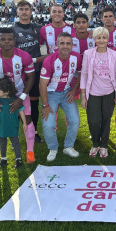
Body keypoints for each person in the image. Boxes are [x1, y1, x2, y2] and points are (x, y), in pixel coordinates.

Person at [0, 27, 35, 166]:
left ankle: (30, 152)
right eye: (3, 39)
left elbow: (30, 77)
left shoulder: (24, 56)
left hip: (21, 93)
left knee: (27, 120)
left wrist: (21, 98)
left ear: (14, 40)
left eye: (9, 39)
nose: (6, 42)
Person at [80, 27, 116, 158]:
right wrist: (83, 95)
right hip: (93, 92)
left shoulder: (114, 54)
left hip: (109, 92)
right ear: (94, 39)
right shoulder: (88, 54)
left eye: (104, 37)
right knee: (94, 120)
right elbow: (84, 75)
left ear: (108, 39)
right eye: (99, 37)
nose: (101, 40)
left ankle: (104, 145)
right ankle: (95, 143)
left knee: (106, 119)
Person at [40, 32, 82, 161]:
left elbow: (80, 74)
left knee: (75, 120)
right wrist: (45, 105)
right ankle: (53, 148)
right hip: (50, 94)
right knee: (48, 124)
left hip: (66, 92)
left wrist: (74, 90)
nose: (65, 46)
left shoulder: (77, 57)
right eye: (62, 43)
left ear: (72, 45)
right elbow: (42, 85)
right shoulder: (49, 60)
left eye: (68, 43)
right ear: (57, 45)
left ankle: (68, 146)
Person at [12, 0, 45, 148]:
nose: (24, 11)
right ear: (17, 11)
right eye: (21, 9)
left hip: (35, 71)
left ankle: (34, 130)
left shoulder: (39, 29)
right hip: (18, 73)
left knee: (33, 102)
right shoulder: (12, 30)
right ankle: (16, 131)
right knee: (16, 103)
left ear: (31, 11)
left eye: (27, 9)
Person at [0, 78, 28, 168]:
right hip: (0, 126)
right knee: (2, 143)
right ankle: (3, 159)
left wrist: (24, 123)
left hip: (12, 126)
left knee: (15, 143)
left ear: (7, 92)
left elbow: (21, 112)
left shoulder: (15, 101)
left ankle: (18, 160)